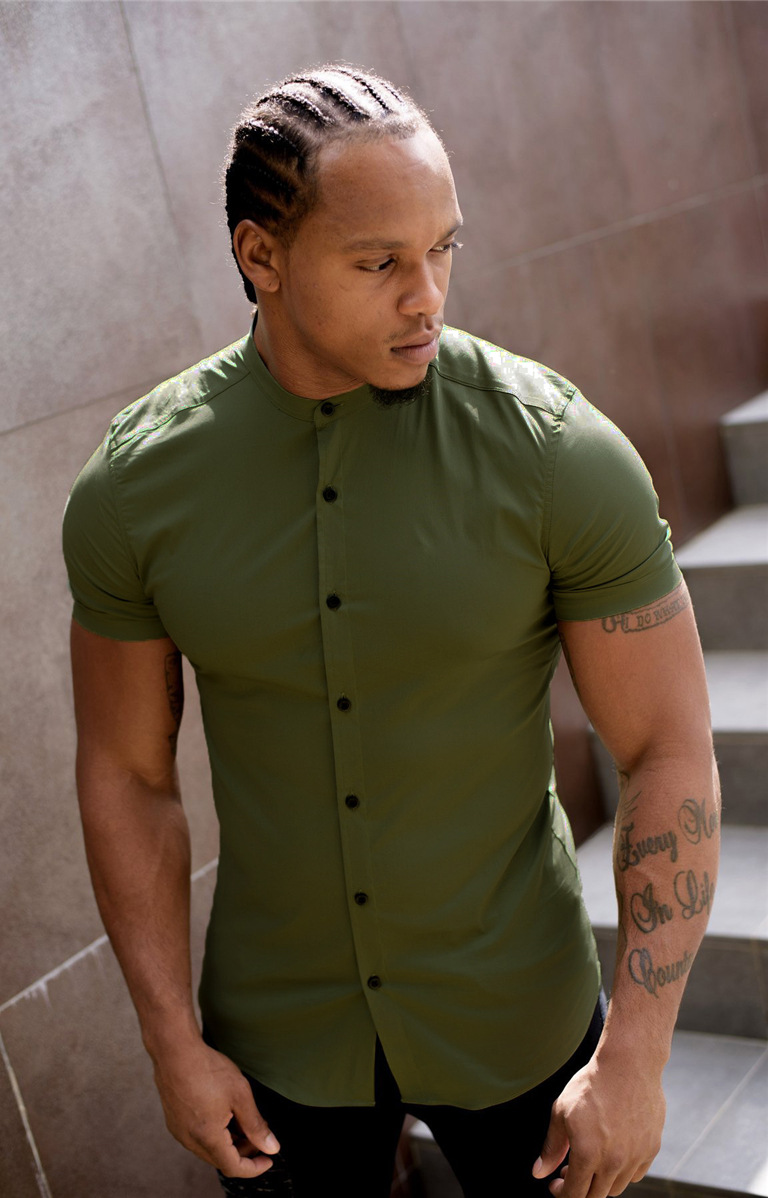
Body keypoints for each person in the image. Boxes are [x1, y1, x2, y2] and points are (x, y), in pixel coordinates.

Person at [63, 65, 720, 1198]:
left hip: (520, 1016)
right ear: (260, 255)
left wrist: (637, 1056)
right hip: (276, 1043)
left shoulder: (555, 454)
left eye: (442, 249)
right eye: (379, 263)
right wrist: (171, 1041)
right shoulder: (134, 489)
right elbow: (127, 774)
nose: (428, 296)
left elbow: (667, 747)